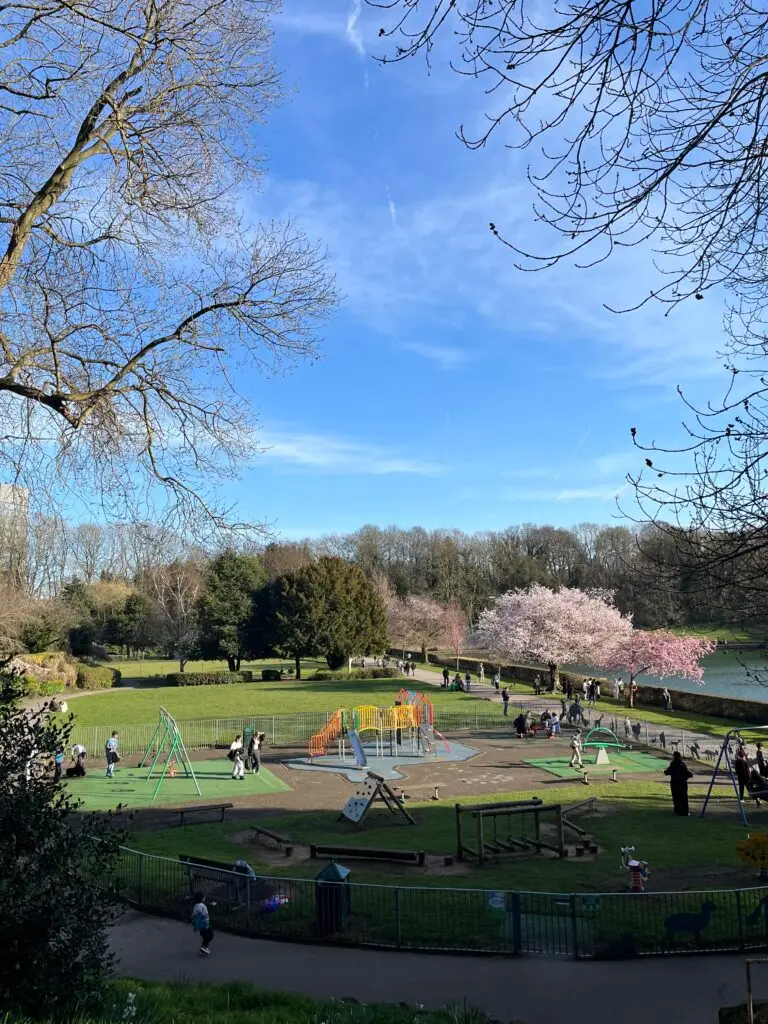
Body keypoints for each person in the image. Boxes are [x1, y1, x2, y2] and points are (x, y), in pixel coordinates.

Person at [664, 750, 693, 815]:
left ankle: (677, 810)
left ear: (674, 756)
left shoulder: (673, 764)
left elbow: (668, 772)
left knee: (676, 797)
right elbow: (687, 773)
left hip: (674, 783)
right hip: (682, 783)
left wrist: (665, 771)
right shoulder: (682, 764)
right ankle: (685, 811)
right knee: (684, 797)